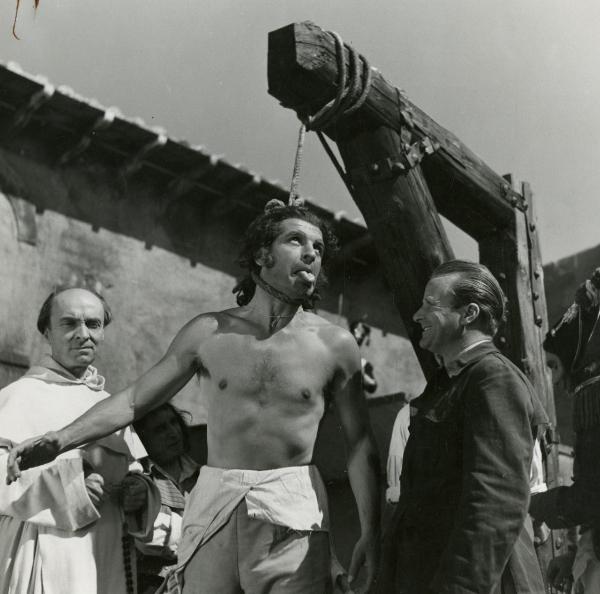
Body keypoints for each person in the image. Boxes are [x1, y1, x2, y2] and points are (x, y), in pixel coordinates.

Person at [7, 200, 381, 594]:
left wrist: (371, 531)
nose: (311, 254)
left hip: (291, 516)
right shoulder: (209, 332)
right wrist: (60, 439)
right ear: (261, 254)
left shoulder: (335, 345)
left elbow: (360, 445)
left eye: (319, 248)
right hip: (213, 512)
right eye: (296, 240)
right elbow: (135, 400)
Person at [377, 260, 548, 594]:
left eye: (430, 304)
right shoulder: (450, 382)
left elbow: (494, 506)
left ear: (469, 314)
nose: (417, 315)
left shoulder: (493, 378)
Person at [0, 287, 160, 594]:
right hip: (44, 550)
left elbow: (136, 472)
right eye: (69, 323)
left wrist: (139, 493)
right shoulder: (17, 397)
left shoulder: (110, 407)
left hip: (107, 556)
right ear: (46, 331)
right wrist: (70, 489)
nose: (82, 333)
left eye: (93, 324)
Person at [529, 268, 600, 593]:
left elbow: (589, 497)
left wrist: (534, 504)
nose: (555, 381)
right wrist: (575, 556)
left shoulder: (594, 397)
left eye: (555, 366)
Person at [132, 403, 200, 594]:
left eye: (173, 423)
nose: (172, 433)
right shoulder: (139, 481)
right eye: (160, 429)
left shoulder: (203, 473)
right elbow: (149, 540)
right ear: (143, 438)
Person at [349, 321, 378, 394]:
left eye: (369, 382)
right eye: (372, 380)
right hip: (361, 364)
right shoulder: (368, 376)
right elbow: (364, 369)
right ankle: (359, 331)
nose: (370, 379)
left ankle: (359, 331)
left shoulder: (360, 383)